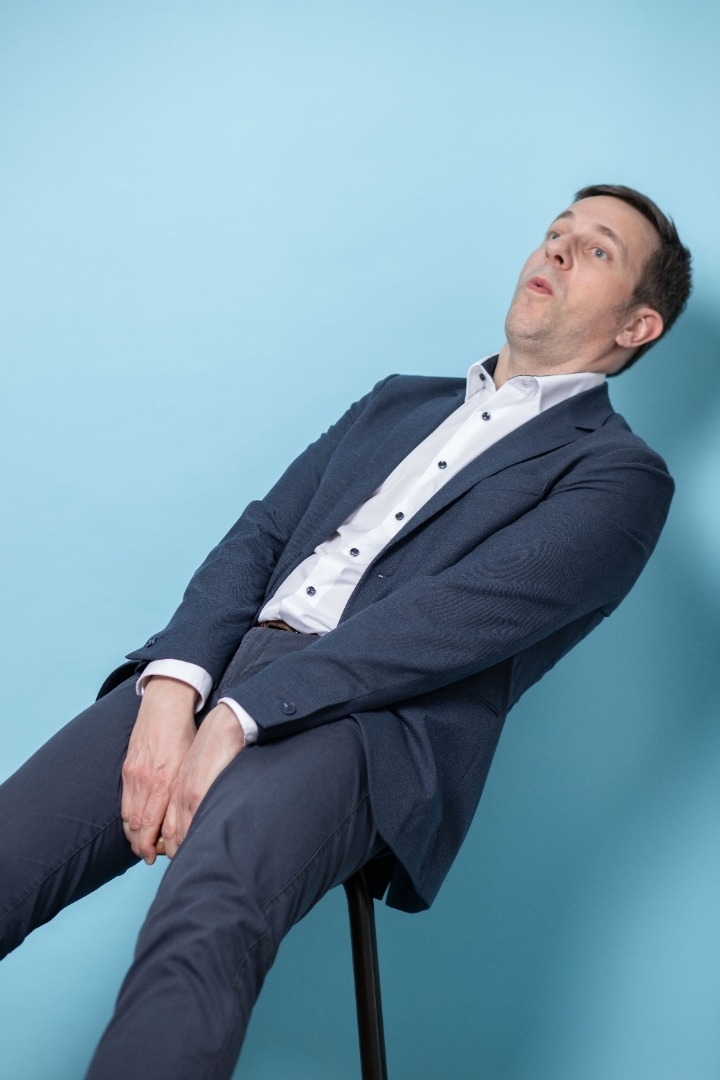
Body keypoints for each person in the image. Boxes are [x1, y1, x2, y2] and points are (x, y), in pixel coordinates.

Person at [0, 184, 691, 1079]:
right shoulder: (396, 402)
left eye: (595, 250)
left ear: (638, 326)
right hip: (220, 663)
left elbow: (445, 624)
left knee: (206, 916)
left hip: (368, 720)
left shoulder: (620, 477)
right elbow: (261, 535)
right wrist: (174, 684)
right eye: (556, 232)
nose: (556, 249)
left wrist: (243, 716)